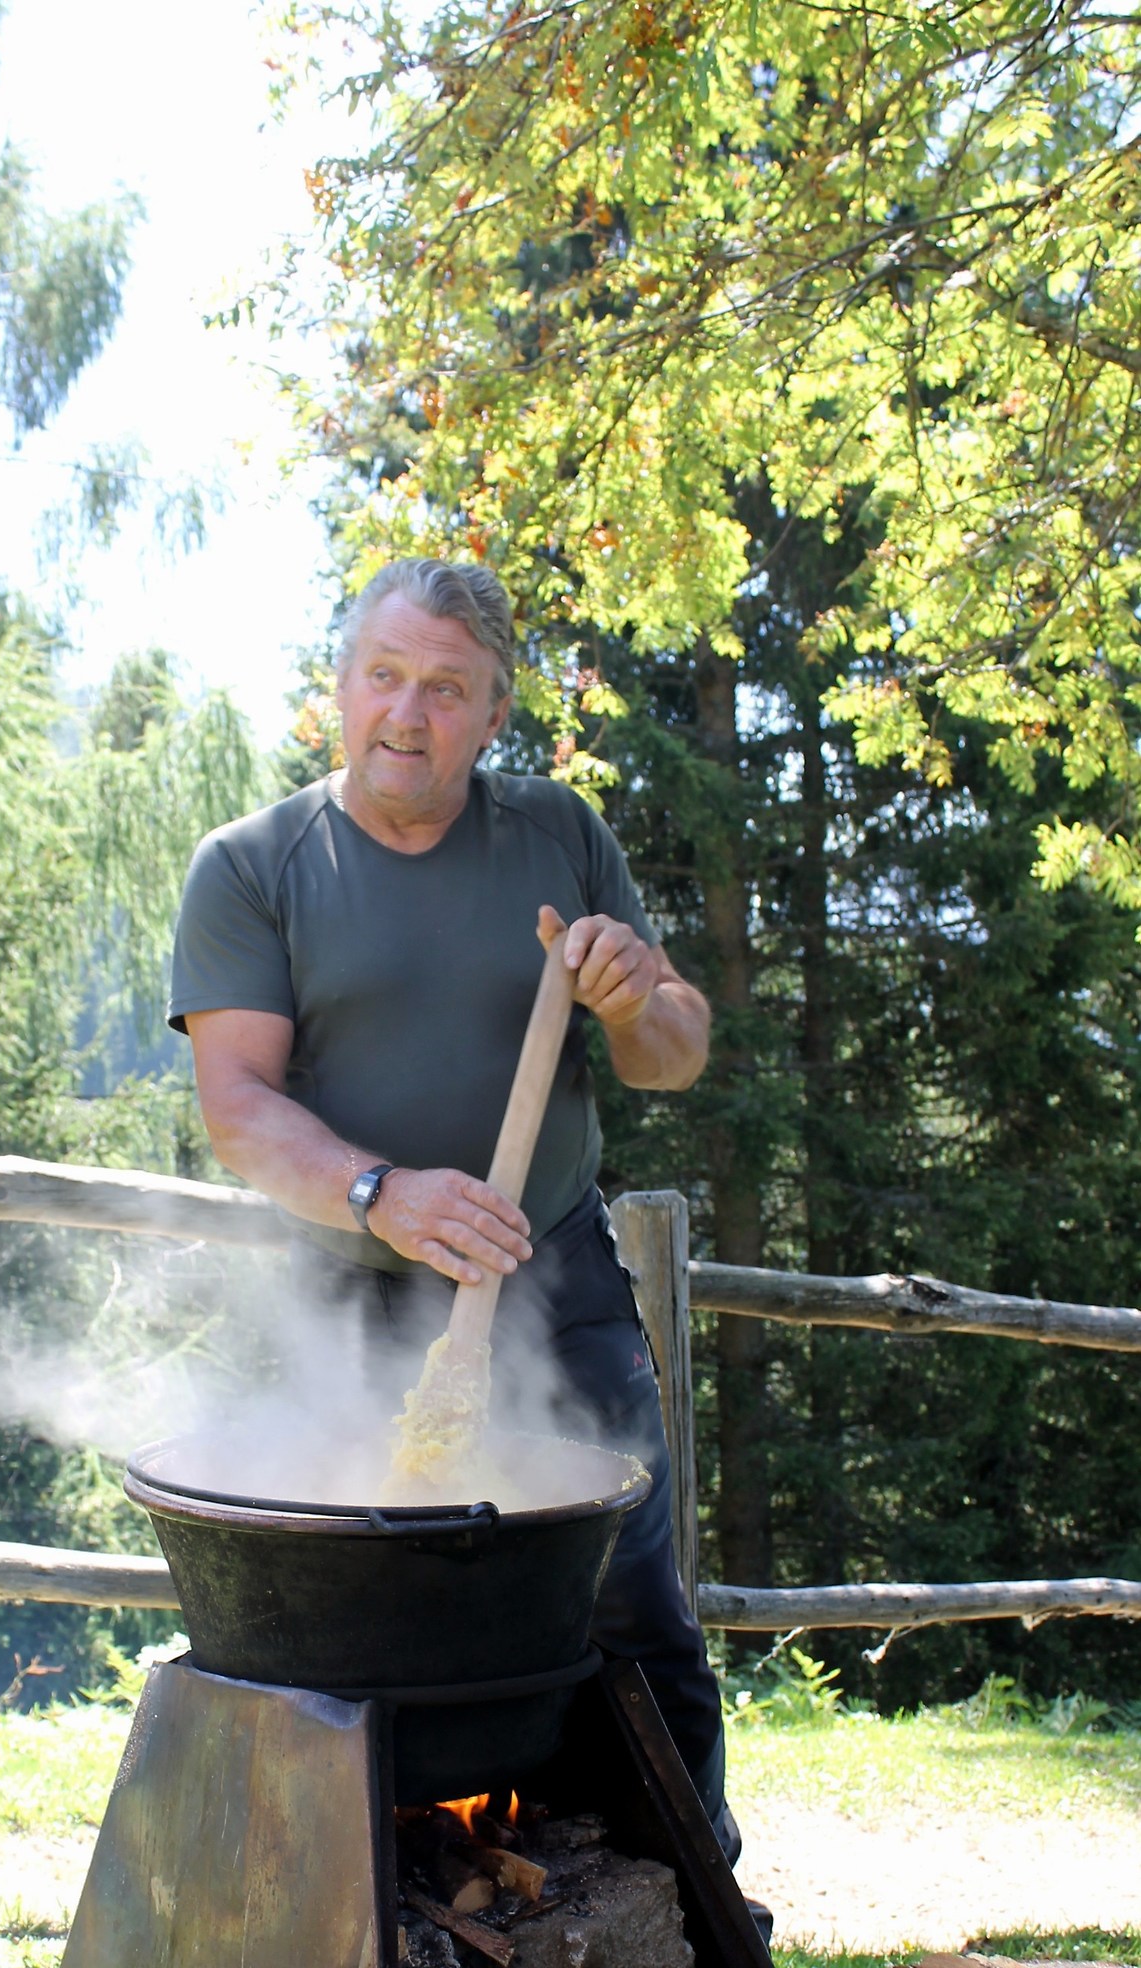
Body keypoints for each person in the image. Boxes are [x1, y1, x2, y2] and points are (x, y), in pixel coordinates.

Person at [168, 558, 738, 1860]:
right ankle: (376, 1910)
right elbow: (241, 1107)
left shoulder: (556, 834)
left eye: (444, 690)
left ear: (492, 716)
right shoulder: (255, 867)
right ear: (338, 687)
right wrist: (380, 1194)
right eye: (383, 677)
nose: (405, 716)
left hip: (552, 1284)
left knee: (631, 1609)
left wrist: (632, 996)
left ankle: (696, 1922)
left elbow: (672, 1054)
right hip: (345, 1293)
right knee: (361, 1622)